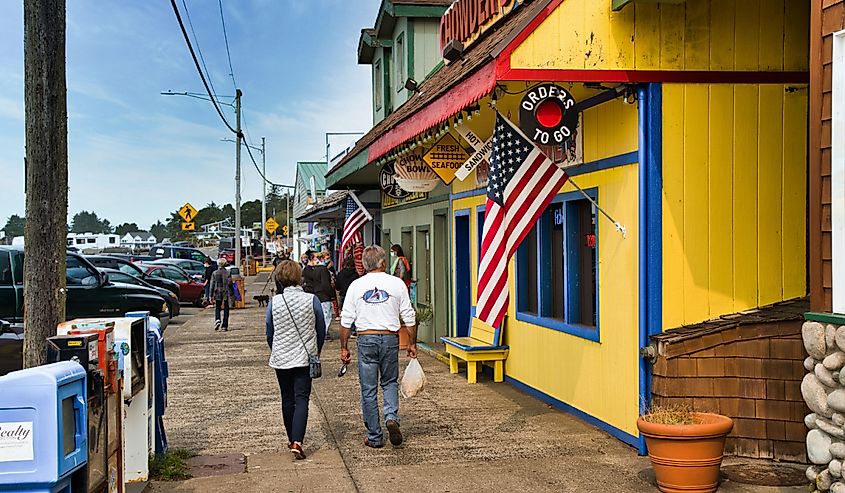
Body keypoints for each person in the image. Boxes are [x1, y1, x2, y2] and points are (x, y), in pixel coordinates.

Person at [340, 245, 416, 449]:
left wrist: (344, 347)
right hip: (390, 338)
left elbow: (346, 320)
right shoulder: (397, 284)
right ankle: (391, 416)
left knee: (368, 388)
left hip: (366, 338)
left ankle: (374, 435)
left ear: (364, 265)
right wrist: (412, 343)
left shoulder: (356, 286)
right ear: (383, 263)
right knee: (390, 381)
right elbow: (408, 315)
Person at [266, 260, 326, 460]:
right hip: (304, 356)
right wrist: (315, 350)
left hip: (281, 358)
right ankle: (298, 441)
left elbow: (269, 330)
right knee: (302, 398)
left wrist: (276, 348)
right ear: (299, 276)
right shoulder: (312, 300)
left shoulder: (275, 302)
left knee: (287, 398)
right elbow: (321, 328)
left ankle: (291, 437)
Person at [302, 251, 336, 334]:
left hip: (316, 294)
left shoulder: (314, 269)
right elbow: (325, 284)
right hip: (323, 295)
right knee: (326, 316)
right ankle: (324, 333)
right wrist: (331, 294)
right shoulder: (322, 269)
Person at [210, 258, 232, 331]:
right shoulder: (228, 272)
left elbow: (212, 285)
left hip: (217, 291)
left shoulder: (215, 273)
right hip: (226, 292)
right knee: (226, 308)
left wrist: (210, 295)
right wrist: (232, 294)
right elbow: (230, 283)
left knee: (217, 307)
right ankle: (224, 326)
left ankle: (217, 319)